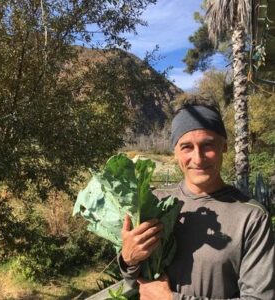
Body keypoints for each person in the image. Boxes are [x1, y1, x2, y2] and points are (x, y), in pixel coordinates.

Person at [118, 95, 275, 300]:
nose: (198, 158)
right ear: (175, 151)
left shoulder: (251, 217)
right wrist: (128, 260)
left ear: (224, 146)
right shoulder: (152, 202)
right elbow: (133, 283)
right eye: (187, 147)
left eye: (208, 145)